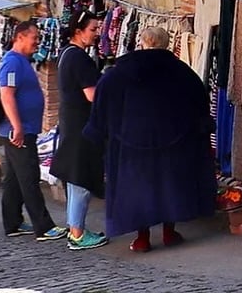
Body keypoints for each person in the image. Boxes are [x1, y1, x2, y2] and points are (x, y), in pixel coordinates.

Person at [84, 26, 216, 252]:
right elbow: (199, 105)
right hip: (174, 141)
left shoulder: (118, 74)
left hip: (132, 143)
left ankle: (142, 239)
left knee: (139, 190)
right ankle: (169, 233)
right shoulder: (182, 72)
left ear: (142, 43)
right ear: (166, 44)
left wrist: (100, 132)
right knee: (169, 186)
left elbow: (102, 103)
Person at [0, 20, 64, 242]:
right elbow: (7, 95)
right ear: (20, 37)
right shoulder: (12, 62)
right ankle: (43, 227)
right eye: (34, 37)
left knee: (15, 179)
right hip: (19, 131)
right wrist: (17, 126)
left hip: (24, 129)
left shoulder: (22, 61)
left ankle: (12, 222)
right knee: (29, 176)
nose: (38, 42)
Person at [49, 11, 108, 251]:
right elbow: (92, 95)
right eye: (93, 29)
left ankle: (75, 229)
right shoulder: (79, 58)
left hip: (71, 123)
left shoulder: (66, 54)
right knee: (81, 179)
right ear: (78, 31)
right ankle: (77, 234)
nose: (97, 34)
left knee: (76, 180)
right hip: (81, 126)